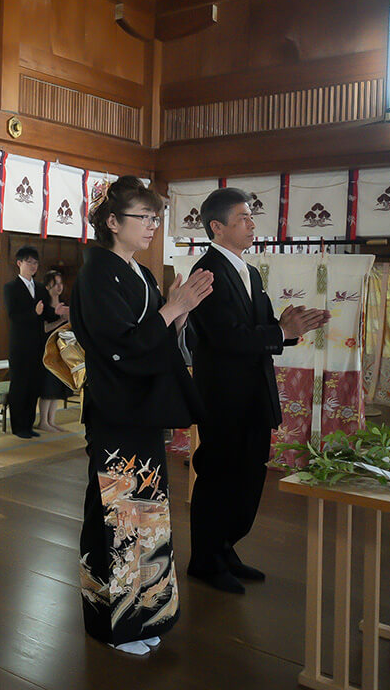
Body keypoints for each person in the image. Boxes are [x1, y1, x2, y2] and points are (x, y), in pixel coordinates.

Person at [70, 176, 213, 655]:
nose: (153, 225)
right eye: (144, 217)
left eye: (156, 218)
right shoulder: (95, 274)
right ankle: (114, 622)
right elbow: (120, 348)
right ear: (113, 222)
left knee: (145, 510)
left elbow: (155, 337)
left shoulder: (140, 273)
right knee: (119, 511)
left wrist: (179, 313)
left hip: (142, 407)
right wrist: (172, 308)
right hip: (117, 408)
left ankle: (143, 612)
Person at [186, 187, 329, 594]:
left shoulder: (247, 270)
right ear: (217, 226)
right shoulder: (207, 272)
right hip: (224, 395)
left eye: (251, 217)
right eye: (243, 218)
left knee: (249, 476)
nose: (252, 224)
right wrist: (280, 330)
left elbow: (260, 328)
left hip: (254, 392)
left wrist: (289, 325)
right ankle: (205, 560)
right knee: (219, 476)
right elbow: (227, 338)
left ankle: (226, 548)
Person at [3, 246, 65, 439]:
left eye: (35, 262)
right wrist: (34, 313)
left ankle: (29, 425)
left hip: (38, 345)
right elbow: (13, 315)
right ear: (19, 263)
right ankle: (18, 427)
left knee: (34, 386)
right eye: (29, 262)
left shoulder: (39, 288)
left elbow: (45, 313)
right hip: (20, 346)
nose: (33, 266)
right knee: (20, 386)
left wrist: (57, 313)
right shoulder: (11, 287)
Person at [37, 270, 71, 433]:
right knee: (47, 386)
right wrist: (60, 320)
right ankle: (43, 421)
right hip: (46, 349)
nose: (59, 287)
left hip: (61, 348)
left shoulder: (63, 303)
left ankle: (51, 420)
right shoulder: (43, 305)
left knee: (57, 385)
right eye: (55, 284)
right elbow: (44, 328)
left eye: (61, 283)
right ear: (48, 286)